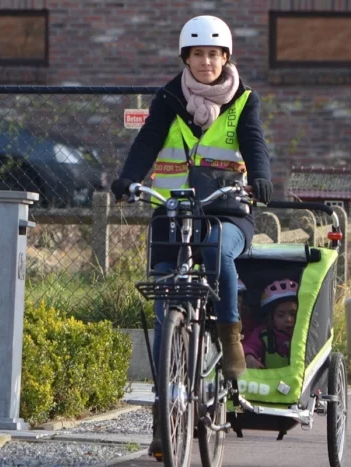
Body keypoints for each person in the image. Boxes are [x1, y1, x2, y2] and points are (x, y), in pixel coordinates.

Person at [110, 15, 272, 457]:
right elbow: (146, 142)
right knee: (166, 309)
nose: (206, 62)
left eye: (214, 54)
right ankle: (166, 420)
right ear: (186, 58)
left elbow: (254, 143)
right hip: (173, 212)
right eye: (197, 54)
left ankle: (230, 336)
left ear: (226, 58)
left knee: (218, 249)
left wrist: (259, 177)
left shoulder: (244, 101)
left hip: (227, 212)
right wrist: (127, 178)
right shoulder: (167, 98)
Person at [243, 279, 299, 370]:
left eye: (293, 314)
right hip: (269, 382)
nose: (288, 319)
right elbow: (249, 347)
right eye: (280, 315)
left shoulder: (306, 332)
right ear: (272, 317)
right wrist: (248, 357)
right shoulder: (263, 334)